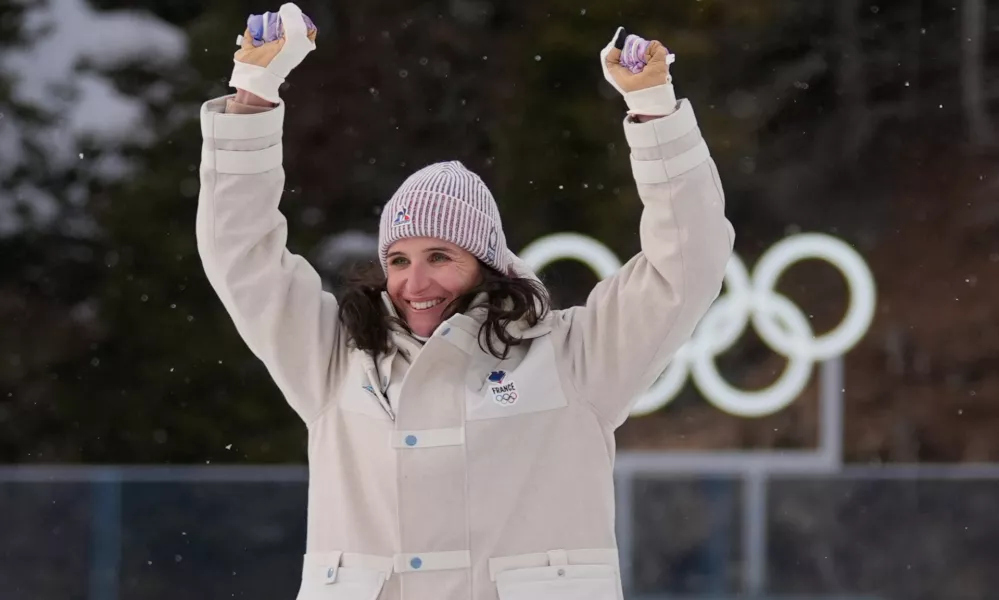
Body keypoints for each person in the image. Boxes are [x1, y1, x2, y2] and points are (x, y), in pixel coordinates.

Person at [196, 3, 734, 599]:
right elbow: (239, 255)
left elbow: (688, 264)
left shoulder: (573, 358)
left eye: (440, 257)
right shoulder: (335, 362)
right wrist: (252, 96)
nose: (415, 283)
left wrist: (656, 114)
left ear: (486, 266)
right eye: (398, 260)